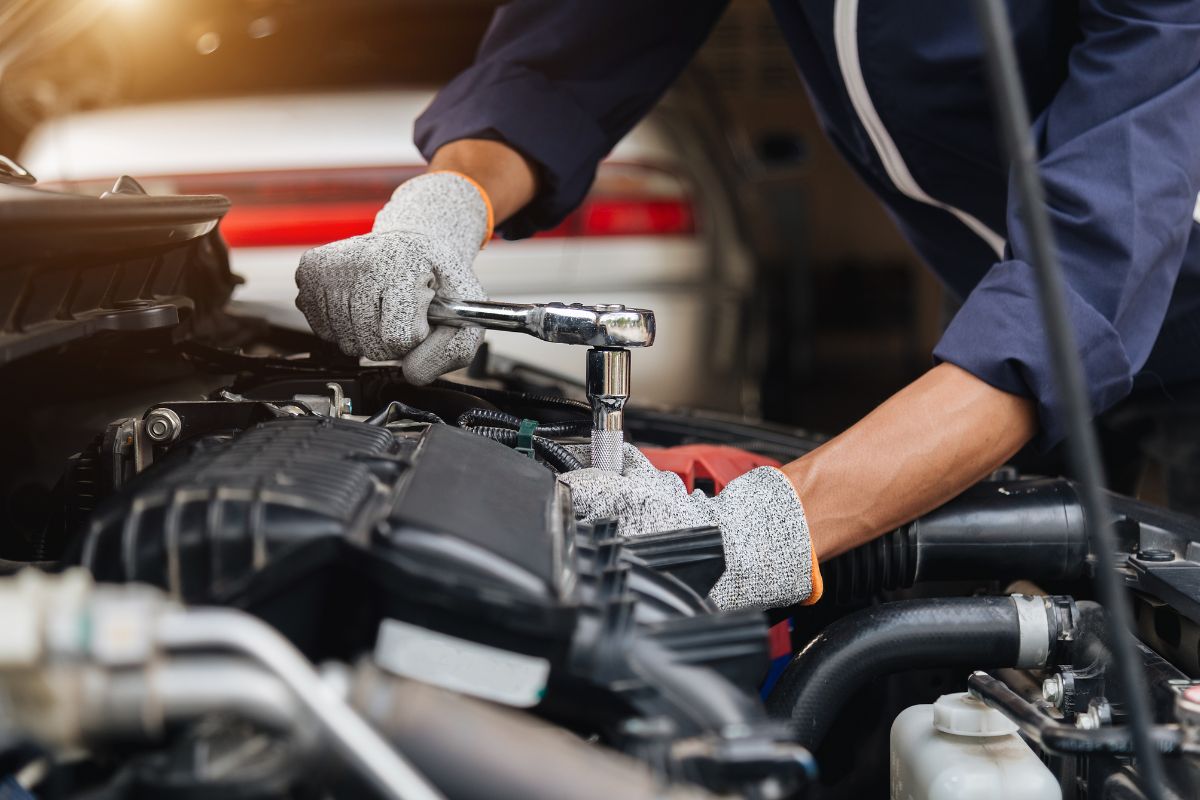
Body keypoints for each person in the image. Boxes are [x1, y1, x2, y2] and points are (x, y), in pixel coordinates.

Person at [294, 1, 1200, 611]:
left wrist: (760, 527)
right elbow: (567, 56)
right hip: (1006, 334)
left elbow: (1083, 280)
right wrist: (441, 212)